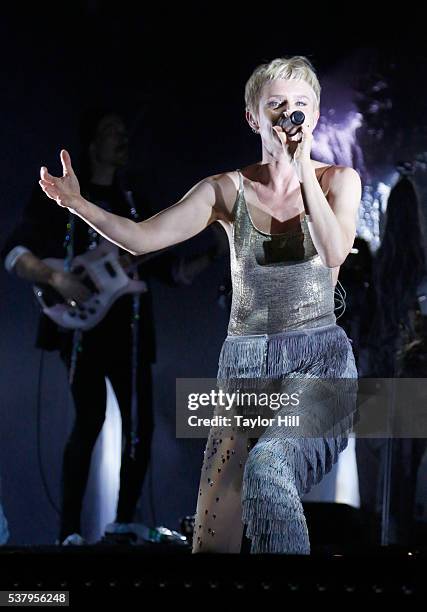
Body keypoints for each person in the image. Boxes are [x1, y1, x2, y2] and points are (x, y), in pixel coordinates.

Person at [38, 56, 361, 554]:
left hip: (318, 365)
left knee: (270, 467)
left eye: (300, 106)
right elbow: (142, 240)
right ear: (254, 117)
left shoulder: (338, 182)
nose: (288, 116)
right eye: (276, 105)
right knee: (213, 542)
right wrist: (79, 205)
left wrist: (299, 171)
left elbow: (336, 250)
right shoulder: (226, 190)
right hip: (246, 368)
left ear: (315, 116)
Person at [1, 109, 193, 546]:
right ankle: (69, 530)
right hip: (82, 328)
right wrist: (55, 277)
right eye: (111, 131)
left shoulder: (134, 200)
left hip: (130, 328)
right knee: (89, 419)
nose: (121, 138)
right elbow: (14, 249)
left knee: (139, 424)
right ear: (91, 143)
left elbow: (170, 270)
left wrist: (212, 253)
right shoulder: (64, 196)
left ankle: (122, 522)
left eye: (125, 131)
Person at [356, 173, 427, 547]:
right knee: (402, 487)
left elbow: (360, 327)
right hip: (413, 385)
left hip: (374, 379)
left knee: (372, 492)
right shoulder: (421, 270)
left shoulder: (373, 266)